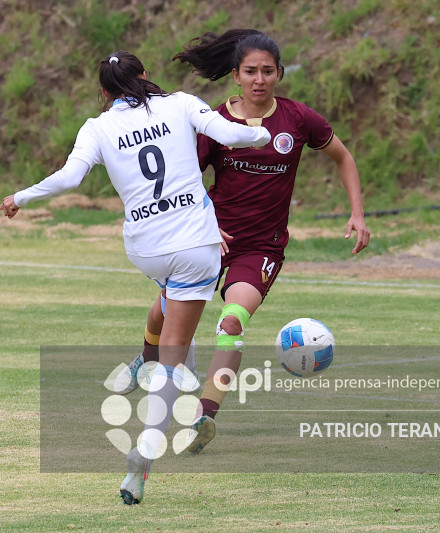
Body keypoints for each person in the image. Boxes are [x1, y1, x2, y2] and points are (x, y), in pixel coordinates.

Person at [0, 50, 271, 504]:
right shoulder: (180, 102)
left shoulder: (97, 126)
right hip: (196, 245)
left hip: (144, 248)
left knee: (171, 299)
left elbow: (68, 178)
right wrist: (265, 134)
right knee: (173, 356)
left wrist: (19, 197)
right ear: (145, 76)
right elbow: (230, 135)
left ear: (104, 93)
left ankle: (165, 367)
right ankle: (144, 455)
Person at [117, 29, 371, 454]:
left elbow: (343, 156)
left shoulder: (298, 120)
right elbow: (184, 180)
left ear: (279, 74)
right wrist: (204, 224)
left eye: (267, 71)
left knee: (232, 322)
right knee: (163, 311)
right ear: (235, 75)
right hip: (207, 240)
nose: (259, 79)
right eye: (251, 71)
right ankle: (146, 356)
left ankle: (204, 417)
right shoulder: (214, 123)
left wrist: (357, 213)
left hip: (262, 247)